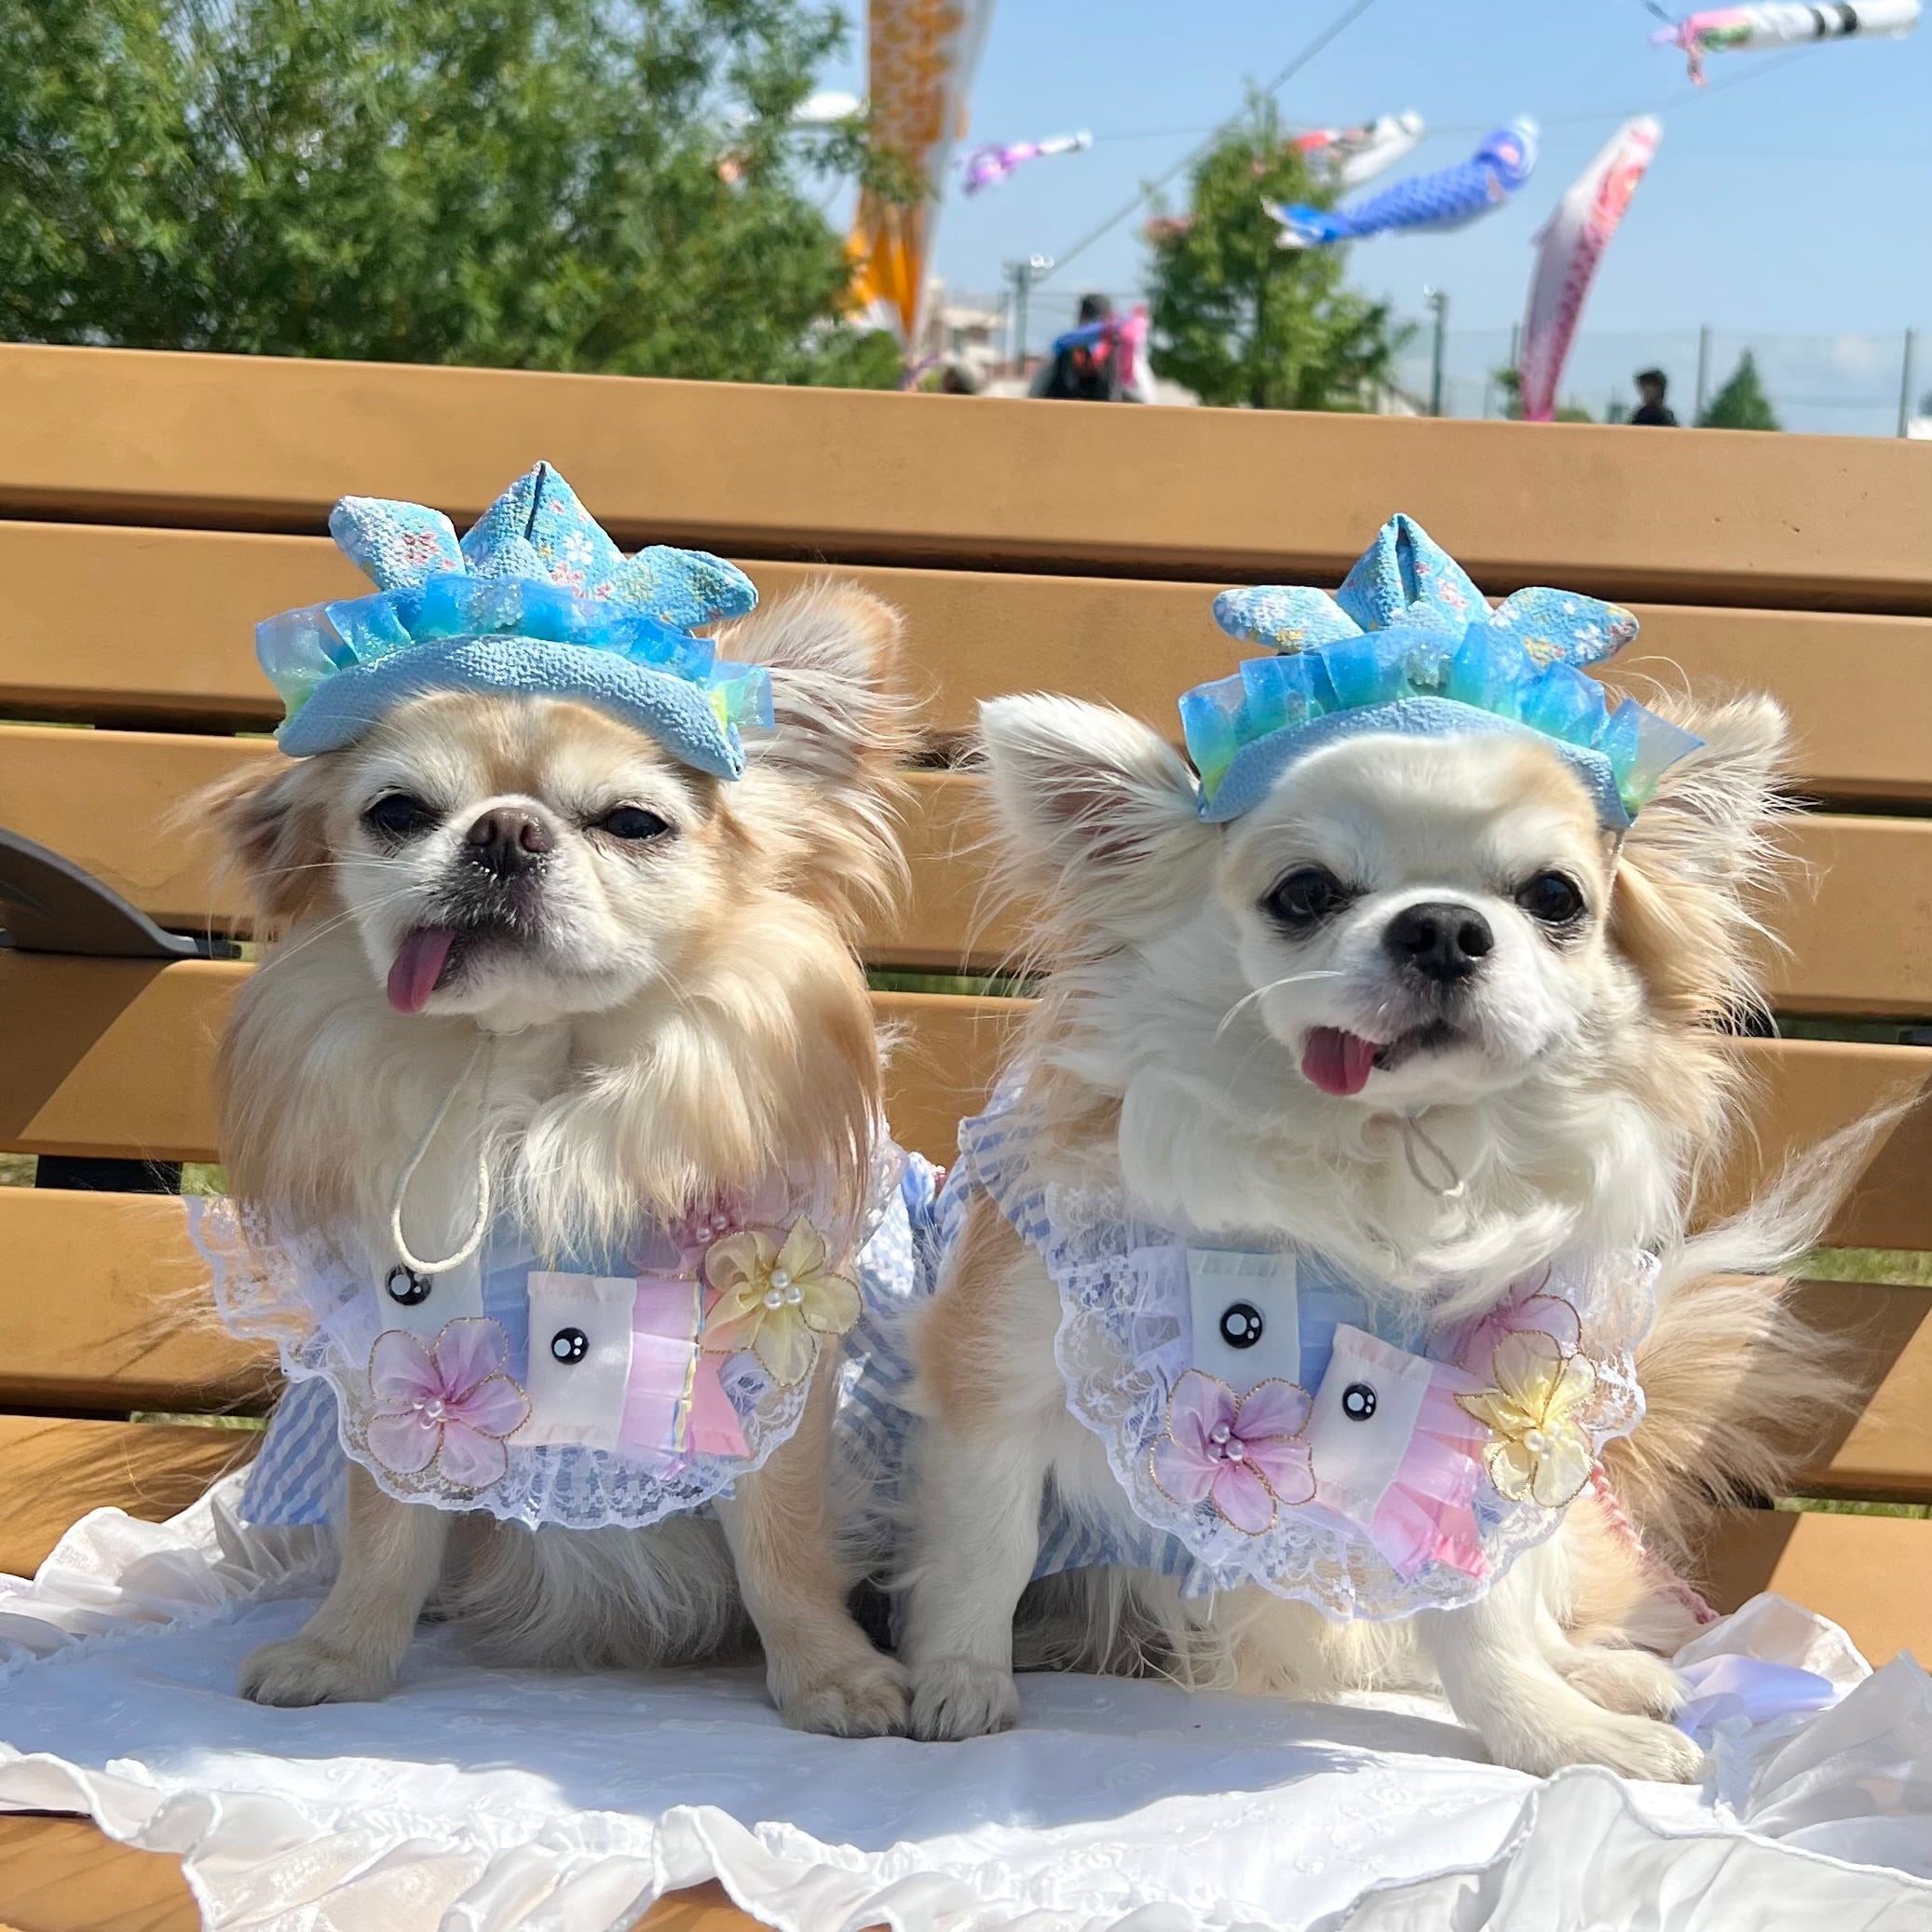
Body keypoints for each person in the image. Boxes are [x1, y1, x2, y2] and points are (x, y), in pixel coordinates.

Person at [1031, 294, 1125, 401]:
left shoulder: (1062, 344)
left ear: (1081, 315)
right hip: (1106, 408)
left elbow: (1036, 390)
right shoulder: (1119, 344)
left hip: (1064, 406)